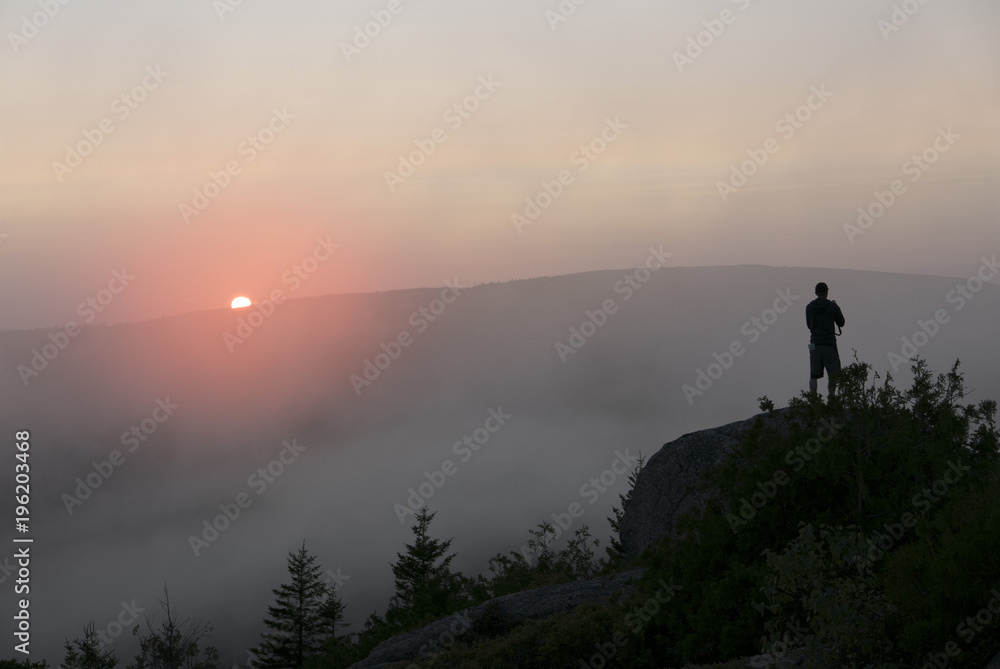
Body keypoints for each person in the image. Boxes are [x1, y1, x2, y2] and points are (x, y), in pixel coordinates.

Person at [806, 282, 845, 399]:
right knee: (833, 374)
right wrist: (836, 307)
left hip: (813, 344)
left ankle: (813, 399)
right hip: (829, 344)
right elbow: (841, 323)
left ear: (816, 293)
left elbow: (809, 325)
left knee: (813, 373)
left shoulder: (809, 307)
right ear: (826, 292)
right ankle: (831, 398)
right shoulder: (832, 306)